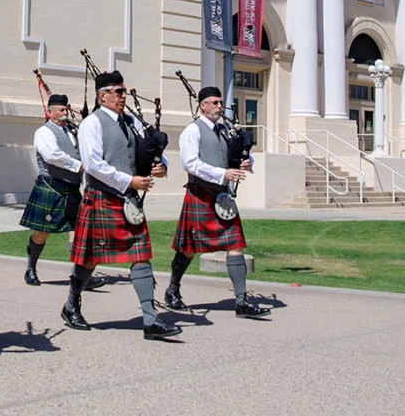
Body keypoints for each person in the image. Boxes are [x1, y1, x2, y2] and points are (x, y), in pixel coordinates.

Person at [61, 71, 180, 340]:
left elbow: (144, 151)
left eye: (124, 91)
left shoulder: (132, 122)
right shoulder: (92, 123)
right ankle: (71, 305)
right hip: (102, 197)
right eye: (117, 91)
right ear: (102, 95)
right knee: (89, 259)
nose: (123, 96)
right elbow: (93, 165)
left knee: (140, 255)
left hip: (128, 200)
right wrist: (130, 181)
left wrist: (160, 167)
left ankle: (150, 320)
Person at [163, 87, 270, 318]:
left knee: (235, 244)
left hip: (222, 197)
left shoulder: (225, 130)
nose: (219, 107)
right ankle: (173, 290)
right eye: (214, 103)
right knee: (189, 249)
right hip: (200, 194)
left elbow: (240, 154)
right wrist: (222, 174)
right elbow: (190, 163)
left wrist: (245, 163)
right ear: (202, 105)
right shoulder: (192, 130)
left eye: (220, 103)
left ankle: (241, 301)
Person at [19, 93, 85, 286]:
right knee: (41, 233)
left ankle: (78, 276)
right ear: (49, 112)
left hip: (72, 188)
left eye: (66, 109)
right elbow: (52, 155)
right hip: (51, 187)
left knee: (77, 230)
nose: (65, 113)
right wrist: (78, 165)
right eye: (60, 110)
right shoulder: (44, 132)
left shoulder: (72, 132)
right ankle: (30, 269)